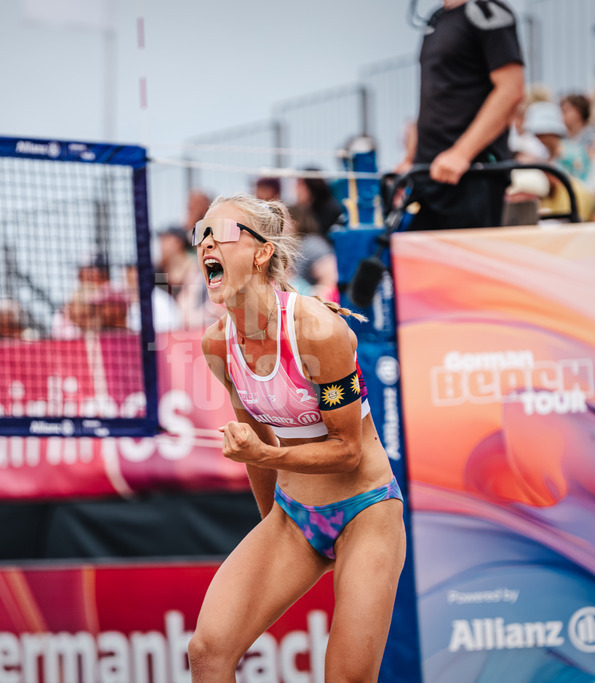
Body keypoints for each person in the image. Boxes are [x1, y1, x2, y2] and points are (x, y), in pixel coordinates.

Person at [188, 194, 405, 682]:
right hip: (294, 515)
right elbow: (255, 444)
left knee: (347, 679)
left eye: (219, 232)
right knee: (207, 652)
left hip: (366, 510)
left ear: (262, 252)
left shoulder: (316, 329)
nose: (205, 243)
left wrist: (263, 452)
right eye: (199, 233)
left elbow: (348, 451)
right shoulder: (217, 342)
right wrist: (274, 530)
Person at [411, 0, 525, 230]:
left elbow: (511, 89)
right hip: (430, 175)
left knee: (463, 265)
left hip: (472, 175)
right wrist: (409, 158)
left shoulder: (486, 11)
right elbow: (434, 97)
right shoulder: (438, 18)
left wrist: (462, 154)